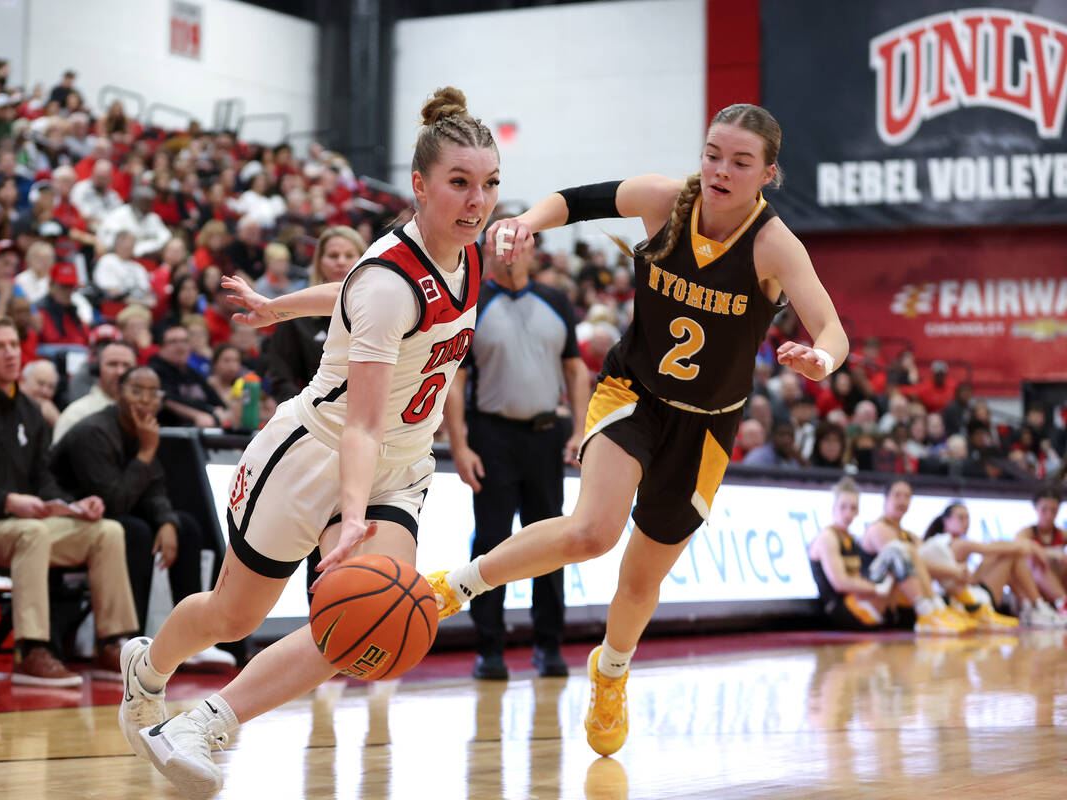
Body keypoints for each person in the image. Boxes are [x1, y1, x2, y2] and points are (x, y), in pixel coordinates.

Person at [424, 103, 850, 758]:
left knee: (641, 578)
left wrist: (821, 358)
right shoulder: (664, 200)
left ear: (767, 173)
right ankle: (458, 585)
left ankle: (610, 673)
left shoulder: (774, 244)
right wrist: (526, 223)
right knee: (592, 531)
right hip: (633, 391)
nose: (720, 170)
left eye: (740, 161)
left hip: (706, 426)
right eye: (713, 153)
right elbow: (573, 201)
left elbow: (832, 330)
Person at [119, 87, 495, 798]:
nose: (477, 201)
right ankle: (147, 667)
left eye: (489, 184)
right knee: (232, 614)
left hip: (400, 468)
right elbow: (360, 414)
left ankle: (208, 723)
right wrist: (351, 516)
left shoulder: (465, 255)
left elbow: (348, 288)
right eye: (459, 184)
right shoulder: (390, 280)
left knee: (356, 614)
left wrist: (277, 305)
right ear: (419, 185)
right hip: (315, 454)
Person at [0, 317, 140, 686]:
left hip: (23, 524)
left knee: (106, 531)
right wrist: (9, 501)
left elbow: (44, 479)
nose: (11, 353)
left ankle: (111, 644)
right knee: (32, 532)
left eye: (14, 344)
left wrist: (74, 505)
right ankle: (31, 650)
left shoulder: (29, 409)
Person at [445, 242, 590, 680]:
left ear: (531, 252)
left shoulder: (555, 300)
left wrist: (581, 429)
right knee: (490, 542)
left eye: (517, 245)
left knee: (552, 543)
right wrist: (460, 445)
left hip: (547, 436)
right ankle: (489, 648)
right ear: (487, 252)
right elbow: (456, 380)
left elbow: (576, 370)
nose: (509, 254)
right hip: (492, 436)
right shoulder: (474, 305)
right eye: (500, 246)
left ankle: (549, 645)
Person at [50, 366, 234, 670]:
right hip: (75, 515)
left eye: (153, 393)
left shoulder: (142, 427)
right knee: (134, 532)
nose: (146, 400)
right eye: (137, 390)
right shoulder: (94, 431)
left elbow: (155, 484)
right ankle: (126, 642)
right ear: (119, 392)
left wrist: (167, 522)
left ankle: (191, 640)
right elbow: (113, 502)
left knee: (186, 527)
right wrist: (147, 451)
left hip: (113, 512)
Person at [807, 478, 966, 634]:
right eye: (843, 507)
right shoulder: (828, 538)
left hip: (866, 600)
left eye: (853, 508)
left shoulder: (851, 539)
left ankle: (939, 608)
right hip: (844, 611)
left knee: (912, 551)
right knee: (897, 550)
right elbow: (840, 583)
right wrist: (875, 588)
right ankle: (928, 612)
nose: (848, 513)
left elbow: (921, 562)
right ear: (833, 508)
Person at [263, 226, 367, 403]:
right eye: (333, 256)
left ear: (363, 260)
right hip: (314, 417)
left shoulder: (379, 309)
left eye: (349, 255)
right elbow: (281, 378)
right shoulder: (297, 314)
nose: (341, 262)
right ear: (319, 262)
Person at [921, 502, 1062, 629]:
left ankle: (1032, 607)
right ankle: (1037, 605)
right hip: (967, 604)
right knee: (1012, 554)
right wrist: (1032, 546)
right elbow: (995, 547)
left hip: (963, 596)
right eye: (961, 518)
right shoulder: (957, 544)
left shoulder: (940, 542)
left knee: (1007, 554)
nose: (966, 522)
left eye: (968, 518)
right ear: (946, 520)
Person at [53, 339, 137, 444]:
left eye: (126, 365)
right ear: (97, 369)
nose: (120, 372)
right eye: (112, 364)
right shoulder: (76, 414)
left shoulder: (142, 413)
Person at [1014, 488, 1067, 617]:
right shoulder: (1025, 533)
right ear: (1036, 509)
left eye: (1053, 510)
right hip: (1032, 590)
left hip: (1058, 582)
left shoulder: (1062, 534)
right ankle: (1062, 603)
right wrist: (1047, 553)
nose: (1049, 515)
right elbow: (1019, 547)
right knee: (1036, 562)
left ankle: (1062, 603)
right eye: (1044, 510)